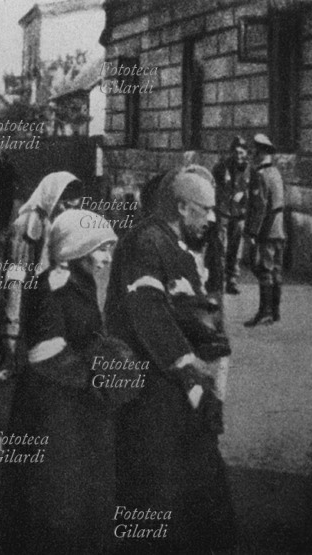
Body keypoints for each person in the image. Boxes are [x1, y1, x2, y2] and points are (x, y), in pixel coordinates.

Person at [104, 167, 236, 552]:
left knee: (194, 484)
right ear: (182, 207)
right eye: (205, 209)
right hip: (151, 387)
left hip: (176, 389)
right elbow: (148, 311)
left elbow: (191, 307)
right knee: (153, 487)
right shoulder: (146, 242)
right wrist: (189, 367)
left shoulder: (174, 244)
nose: (211, 217)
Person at [0, 209, 124, 553]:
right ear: (76, 248)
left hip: (74, 405)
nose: (107, 258)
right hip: (52, 410)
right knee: (53, 499)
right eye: (101, 249)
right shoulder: (51, 285)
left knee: (75, 496)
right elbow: (43, 352)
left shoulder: (81, 281)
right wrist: (93, 377)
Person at [0, 171, 83, 462]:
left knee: (27, 382)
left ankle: (16, 444)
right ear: (52, 196)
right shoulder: (27, 226)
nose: (69, 209)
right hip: (22, 315)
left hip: (40, 313)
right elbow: (14, 279)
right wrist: (11, 326)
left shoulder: (52, 223)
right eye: (65, 203)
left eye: (74, 205)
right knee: (6, 382)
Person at [244, 133, 285, 326]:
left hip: (267, 231)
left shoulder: (260, 175)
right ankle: (275, 312)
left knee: (264, 270)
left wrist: (252, 233)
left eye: (255, 152)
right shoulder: (276, 173)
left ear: (261, 153)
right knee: (276, 270)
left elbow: (260, 208)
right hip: (279, 229)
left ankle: (265, 312)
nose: (253, 155)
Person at [211, 136, 249, 295]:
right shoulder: (221, 167)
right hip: (223, 212)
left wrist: (244, 194)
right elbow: (213, 186)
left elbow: (255, 189)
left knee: (236, 248)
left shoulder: (249, 169)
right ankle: (218, 280)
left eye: (242, 153)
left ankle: (232, 280)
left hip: (239, 214)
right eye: (236, 152)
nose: (239, 156)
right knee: (221, 247)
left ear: (245, 153)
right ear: (231, 152)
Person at [0, 152, 18, 231]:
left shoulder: (9, 166)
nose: (4, 159)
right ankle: (0, 224)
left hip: (6, 190)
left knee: (6, 207)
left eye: (5, 158)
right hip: (1, 190)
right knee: (0, 207)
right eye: (3, 158)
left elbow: (14, 177)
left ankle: (4, 224)